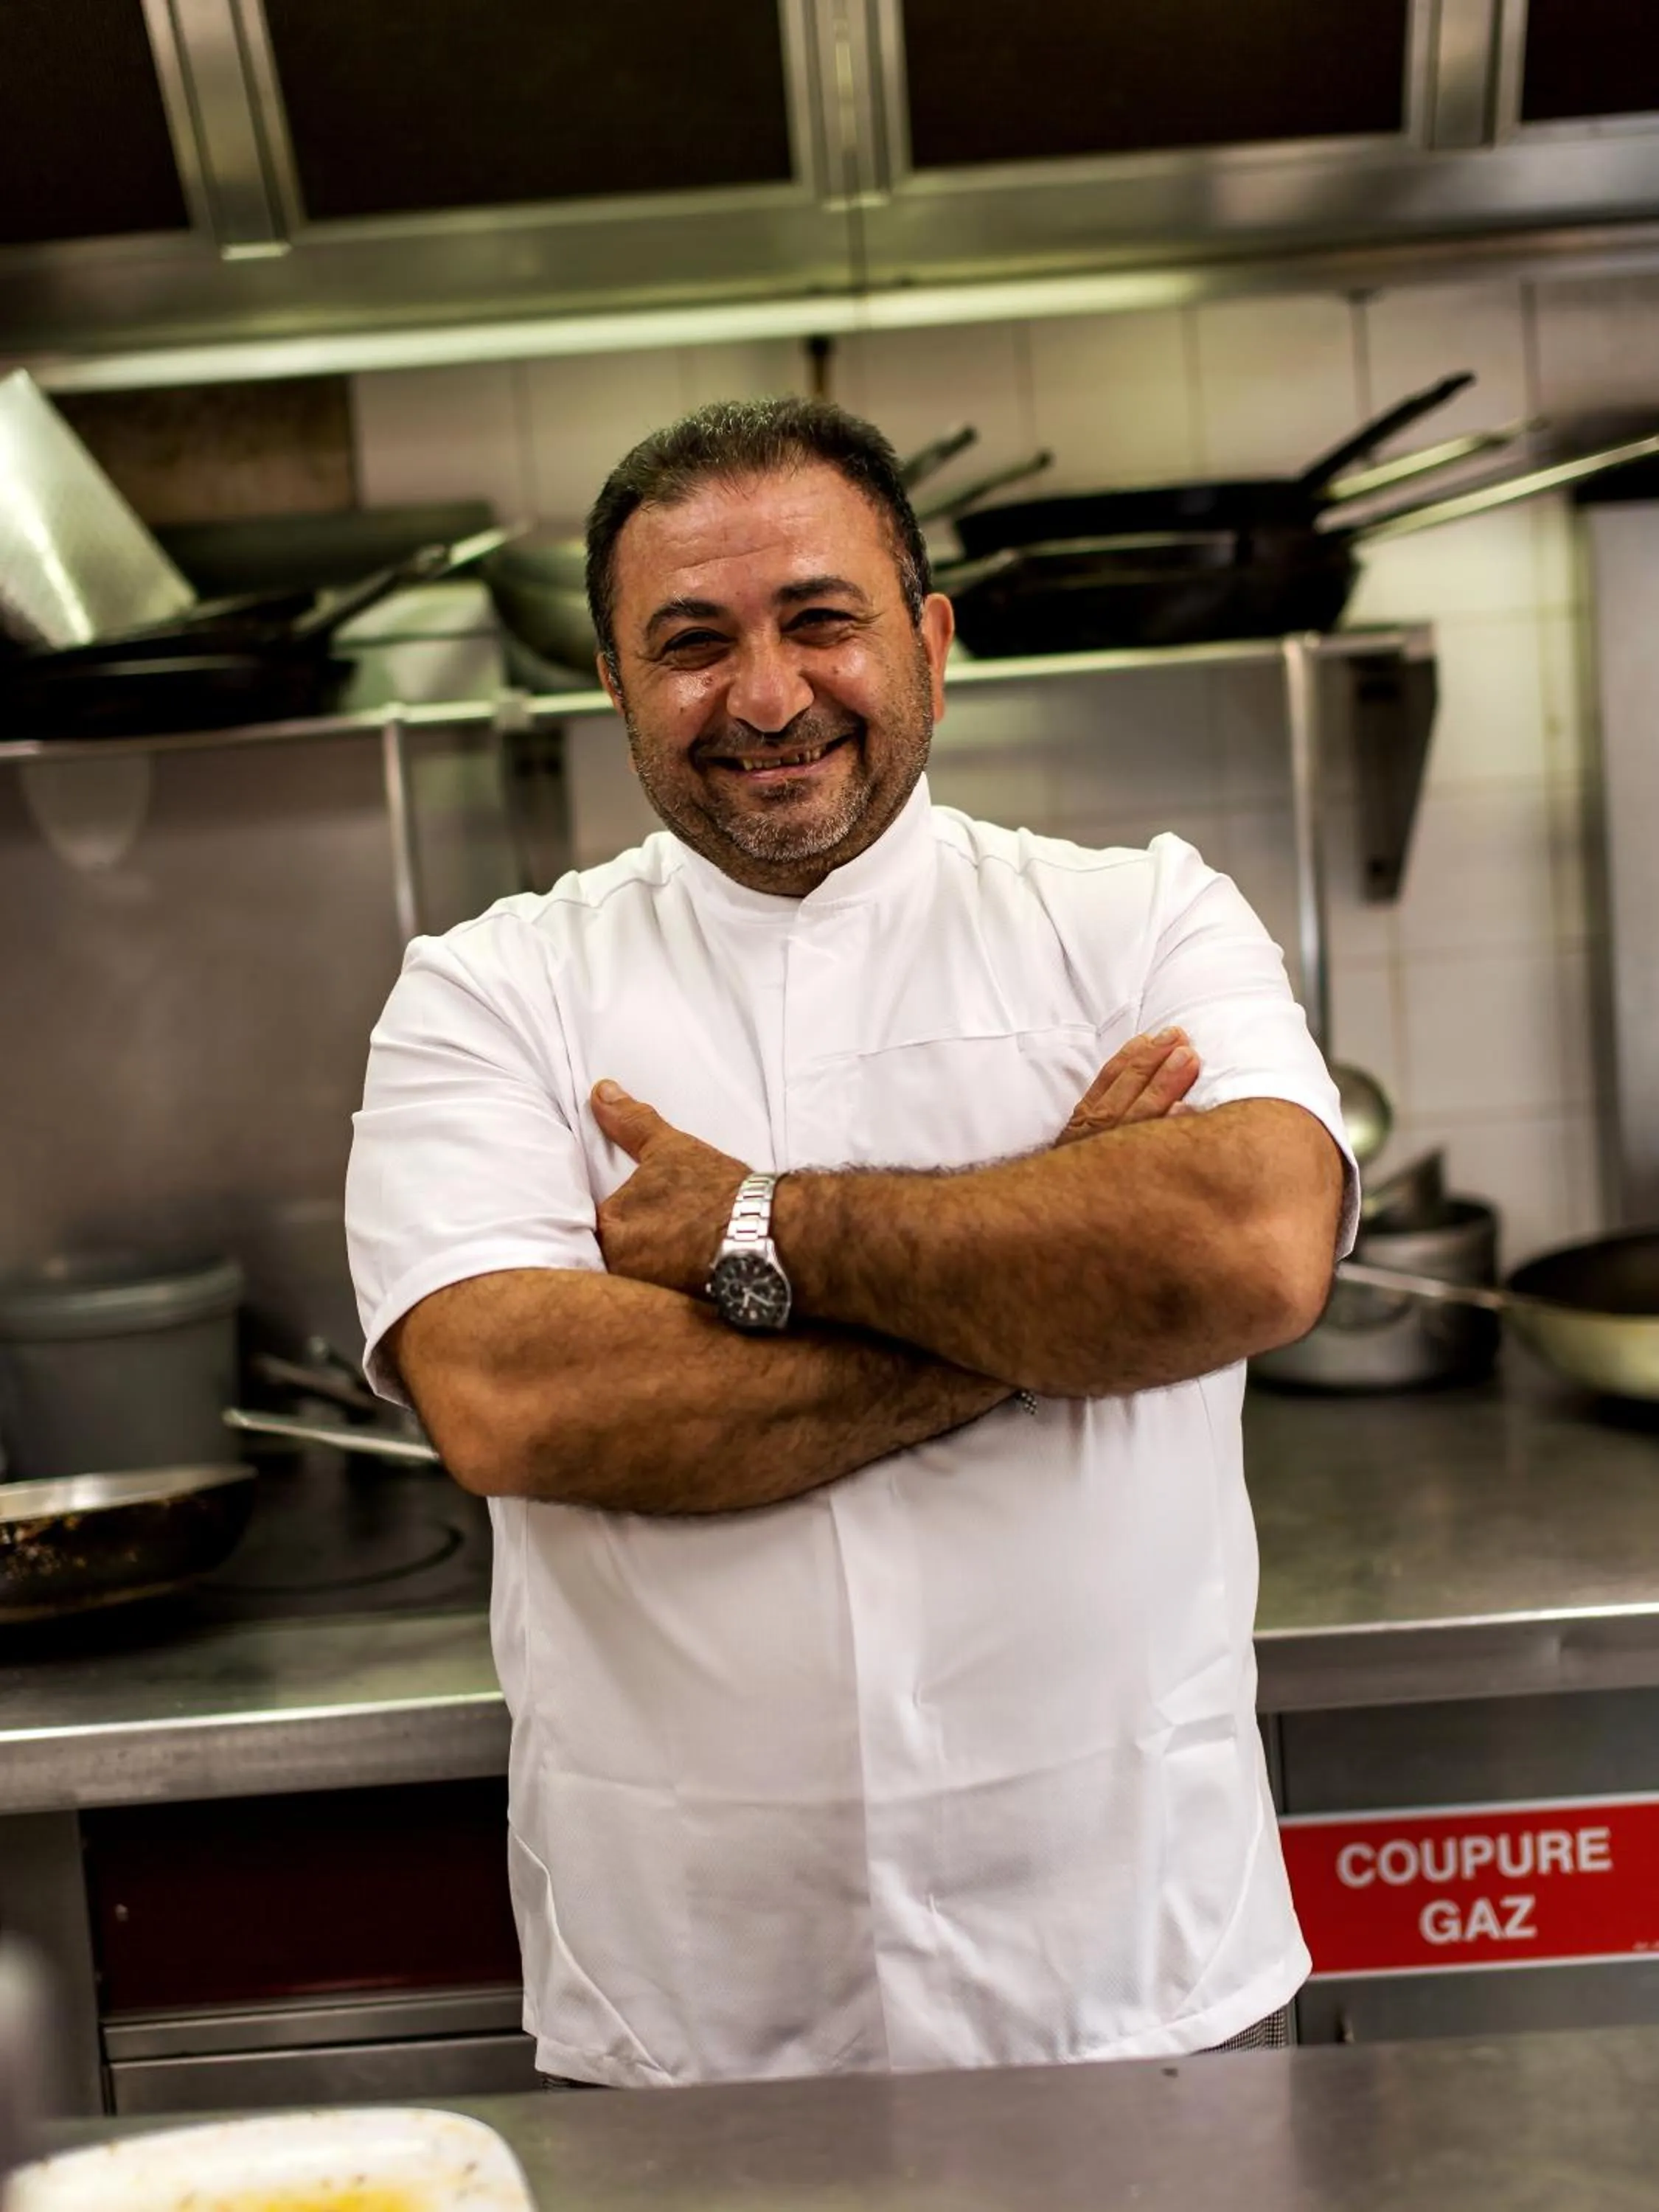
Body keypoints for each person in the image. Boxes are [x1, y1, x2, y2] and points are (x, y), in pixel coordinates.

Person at [344, 397, 1356, 2089]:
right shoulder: (491, 993)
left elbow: (1248, 1249)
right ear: (612, 685)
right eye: (691, 643)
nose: (766, 697)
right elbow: (515, 1401)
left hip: (1128, 1970)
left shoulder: (1137, 919)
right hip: (697, 2013)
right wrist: (1059, 1294)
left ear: (931, 644)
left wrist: (755, 1229)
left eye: (821, 619)